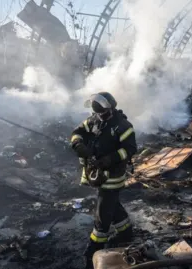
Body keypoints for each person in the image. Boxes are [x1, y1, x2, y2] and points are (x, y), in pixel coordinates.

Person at [70, 92, 137, 269]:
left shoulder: (123, 126)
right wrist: (78, 145)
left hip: (112, 176)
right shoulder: (94, 120)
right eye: (98, 113)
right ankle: (126, 233)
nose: (101, 116)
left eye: (104, 113)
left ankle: (93, 249)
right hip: (97, 174)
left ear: (112, 109)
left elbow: (130, 149)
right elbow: (77, 132)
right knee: (112, 205)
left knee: (102, 215)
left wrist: (109, 159)